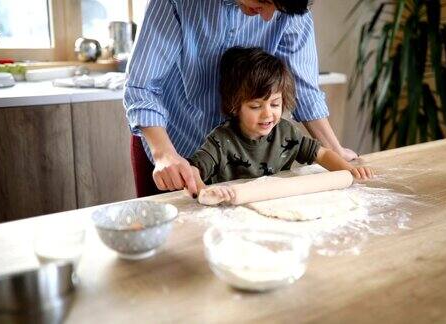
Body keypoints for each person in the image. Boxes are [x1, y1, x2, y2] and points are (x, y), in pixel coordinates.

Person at [124, 0, 358, 198]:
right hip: (172, 143)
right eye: (264, 0)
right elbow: (142, 86)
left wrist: (334, 150)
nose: (268, 17)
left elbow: (304, 89)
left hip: (241, 165)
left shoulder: (286, 6)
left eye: (277, 8)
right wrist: (165, 154)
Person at [188, 47, 374, 200]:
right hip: (231, 211)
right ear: (235, 106)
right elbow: (193, 171)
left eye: (275, 104)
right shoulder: (221, 141)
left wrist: (350, 170)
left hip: (274, 204)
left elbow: (322, 154)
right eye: (255, 106)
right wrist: (205, 191)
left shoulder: (285, 132)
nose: (267, 114)